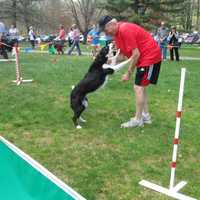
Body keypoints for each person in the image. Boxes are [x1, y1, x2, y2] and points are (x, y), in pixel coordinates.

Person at [98, 16, 162, 128]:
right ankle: (145, 116)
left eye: (105, 30)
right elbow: (123, 56)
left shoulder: (124, 30)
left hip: (150, 56)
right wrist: (106, 60)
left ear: (110, 25)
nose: (105, 33)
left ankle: (138, 120)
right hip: (143, 57)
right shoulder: (117, 35)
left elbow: (135, 54)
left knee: (138, 87)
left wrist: (128, 73)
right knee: (141, 87)